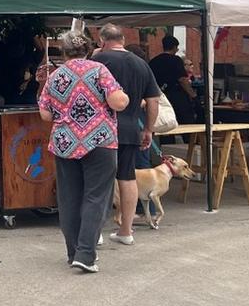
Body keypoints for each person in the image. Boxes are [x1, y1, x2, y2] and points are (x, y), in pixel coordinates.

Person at [38, 31, 129, 273]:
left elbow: (45, 114)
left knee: (69, 199)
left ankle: (73, 252)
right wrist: (126, 98)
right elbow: (118, 101)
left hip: (65, 143)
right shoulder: (99, 70)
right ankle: (86, 254)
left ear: (64, 51)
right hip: (99, 140)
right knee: (96, 197)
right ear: (88, 49)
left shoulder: (55, 76)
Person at [92, 24, 161, 247]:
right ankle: (126, 231)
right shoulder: (142, 64)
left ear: (102, 40)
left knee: (99, 180)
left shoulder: (99, 61)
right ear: (122, 38)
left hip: (101, 128)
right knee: (127, 177)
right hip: (131, 127)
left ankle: (96, 232)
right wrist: (148, 129)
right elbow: (153, 101)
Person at [149, 35, 198, 125]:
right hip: (177, 96)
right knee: (186, 123)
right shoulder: (176, 60)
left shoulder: (153, 61)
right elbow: (182, 79)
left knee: (165, 123)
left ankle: (168, 139)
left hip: (161, 96)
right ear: (174, 47)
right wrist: (193, 95)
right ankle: (188, 139)